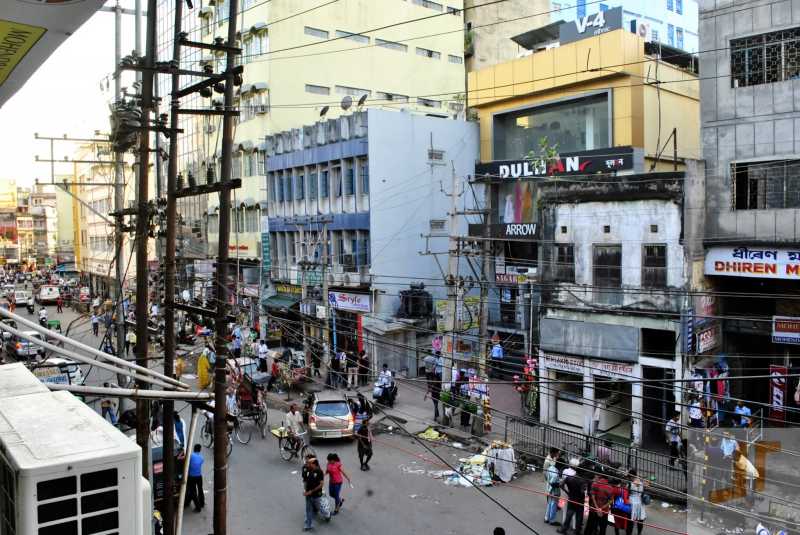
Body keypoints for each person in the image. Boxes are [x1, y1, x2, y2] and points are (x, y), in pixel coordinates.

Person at [302, 456, 328, 531]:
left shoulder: (319, 472)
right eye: (308, 463)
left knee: (320, 508)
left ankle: (327, 515)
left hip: (316, 495)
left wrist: (311, 491)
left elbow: (321, 484)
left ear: (314, 464)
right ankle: (308, 525)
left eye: (310, 463)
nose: (308, 464)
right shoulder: (308, 470)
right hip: (308, 495)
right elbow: (305, 480)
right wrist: (305, 490)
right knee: (308, 510)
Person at [559, 461, 586, 535]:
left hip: (571, 498)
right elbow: (582, 491)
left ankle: (564, 529)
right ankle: (576, 531)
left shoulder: (569, 478)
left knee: (569, 515)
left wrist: (567, 492)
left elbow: (561, 485)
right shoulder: (583, 481)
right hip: (579, 501)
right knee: (579, 517)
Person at [626, 470, 647, 535]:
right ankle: (639, 533)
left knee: (630, 521)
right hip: (640, 503)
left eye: (629, 477)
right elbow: (643, 493)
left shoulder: (630, 484)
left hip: (632, 503)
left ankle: (629, 533)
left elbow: (627, 493)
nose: (629, 478)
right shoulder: (641, 483)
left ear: (632, 476)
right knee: (640, 520)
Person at [544, 451, 561, 525]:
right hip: (554, 490)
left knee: (549, 504)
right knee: (553, 505)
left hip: (549, 489)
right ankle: (552, 520)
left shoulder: (550, 468)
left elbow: (547, 478)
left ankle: (546, 518)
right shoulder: (556, 473)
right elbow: (553, 483)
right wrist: (560, 483)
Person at [186, 444, 204, 512]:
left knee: (193, 491)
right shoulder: (201, 458)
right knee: (200, 489)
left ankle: (198, 507)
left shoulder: (191, 456)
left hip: (191, 477)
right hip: (199, 476)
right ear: (200, 450)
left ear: (194, 449)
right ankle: (202, 503)